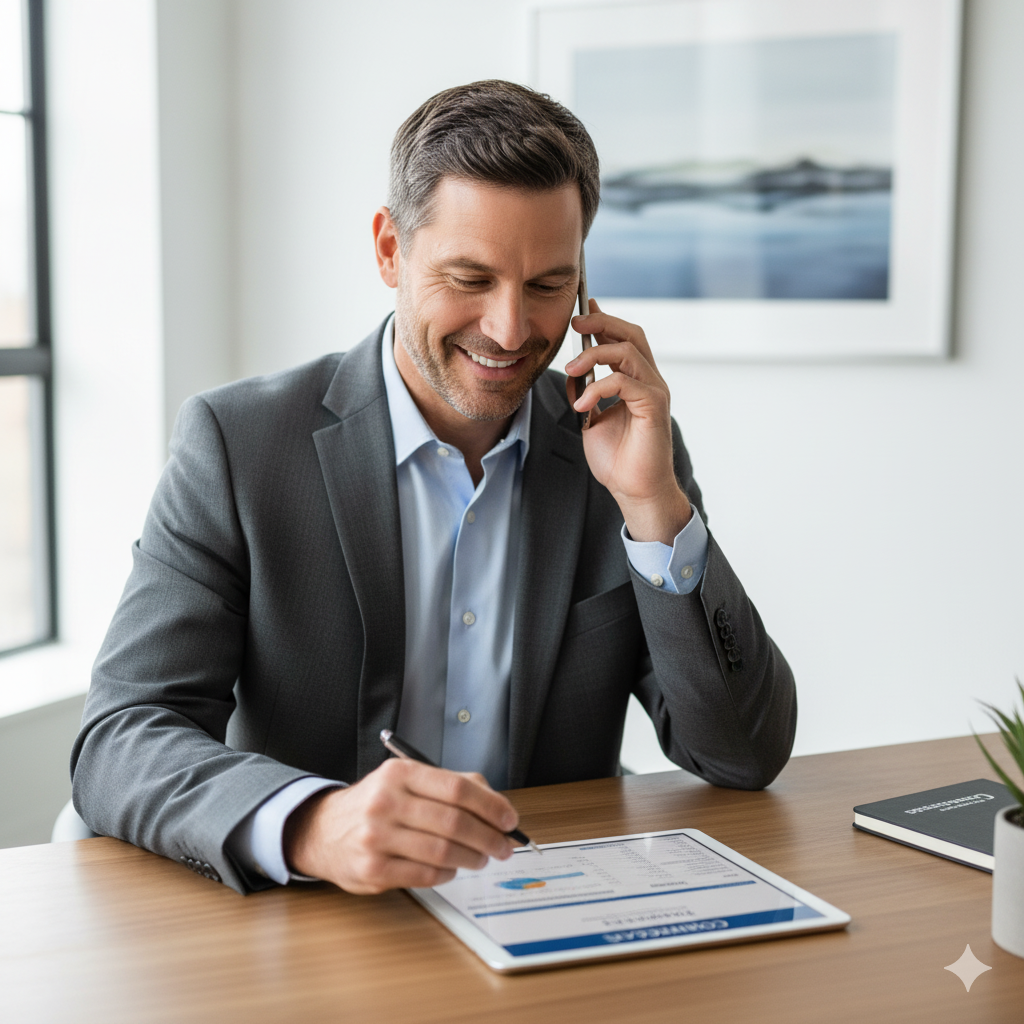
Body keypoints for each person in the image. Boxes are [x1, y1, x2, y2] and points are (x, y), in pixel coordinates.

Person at [71, 80, 796, 896]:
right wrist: (311, 822)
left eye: (550, 285)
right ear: (389, 250)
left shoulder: (624, 453)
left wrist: (656, 511)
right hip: (314, 927)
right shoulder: (239, 447)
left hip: (545, 916)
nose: (511, 329)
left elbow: (742, 753)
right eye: (470, 277)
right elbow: (122, 736)